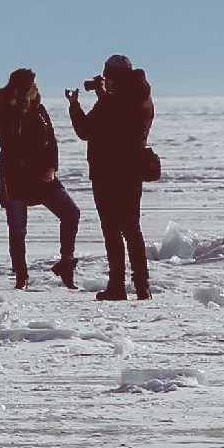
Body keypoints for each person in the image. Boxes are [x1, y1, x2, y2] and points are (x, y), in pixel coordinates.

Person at [65, 54, 154, 301]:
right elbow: (120, 120)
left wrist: (74, 105)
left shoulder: (112, 103)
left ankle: (117, 286)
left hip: (108, 174)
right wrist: (104, 95)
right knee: (132, 229)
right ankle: (142, 285)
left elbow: (85, 130)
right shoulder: (142, 98)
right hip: (133, 172)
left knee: (112, 230)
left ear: (113, 77)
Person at [0, 68, 80, 290]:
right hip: (16, 179)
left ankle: (66, 263)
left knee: (71, 213)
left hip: (43, 178)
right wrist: (22, 109)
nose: (36, 90)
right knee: (18, 228)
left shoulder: (40, 110)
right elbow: (12, 144)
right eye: (32, 86)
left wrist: (51, 167)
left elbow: (51, 140)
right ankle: (21, 276)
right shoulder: (4, 113)